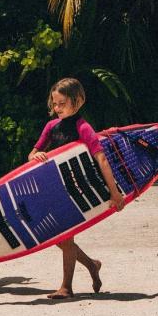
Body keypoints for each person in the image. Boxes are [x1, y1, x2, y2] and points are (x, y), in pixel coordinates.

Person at [28, 77, 125, 300]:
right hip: (55, 187)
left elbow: (101, 159)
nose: (57, 108)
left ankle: (66, 287)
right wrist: (36, 155)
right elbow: (32, 153)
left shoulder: (83, 128)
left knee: (66, 237)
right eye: (54, 103)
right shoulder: (51, 126)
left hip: (77, 189)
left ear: (77, 101)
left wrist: (114, 192)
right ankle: (92, 265)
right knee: (59, 239)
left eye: (62, 103)